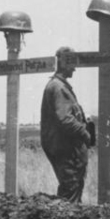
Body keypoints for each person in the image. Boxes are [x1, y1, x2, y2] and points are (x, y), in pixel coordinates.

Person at [40, 46, 93, 203]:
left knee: (71, 191)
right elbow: (65, 119)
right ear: (63, 63)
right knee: (70, 192)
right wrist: (85, 133)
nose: (74, 69)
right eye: (71, 63)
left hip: (66, 149)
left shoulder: (59, 86)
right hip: (67, 150)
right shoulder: (58, 87)